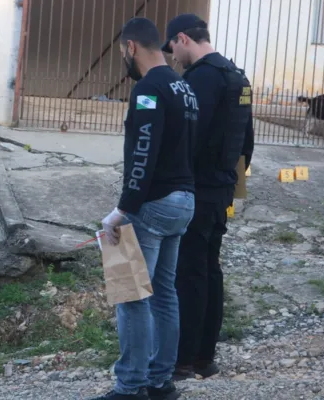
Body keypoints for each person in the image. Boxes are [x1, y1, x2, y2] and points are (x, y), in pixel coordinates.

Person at [89, 17, 197, 400]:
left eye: (122, 52)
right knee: (164, 292)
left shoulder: (148, 88)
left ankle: (130, 387)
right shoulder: (183, 87)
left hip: (151, 204)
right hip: (184, 200)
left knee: (131, 294)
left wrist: (122, 210)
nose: (124, 58)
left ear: (131, 48)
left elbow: (143, 151)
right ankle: (160, 382)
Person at [161, 13, 255, 381]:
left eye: (172, 49)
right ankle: (205, 358)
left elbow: (188, 137)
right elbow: (246, 142)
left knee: (189, 273)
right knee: (210, 270)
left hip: (196, 188)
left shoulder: (199, 79)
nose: (172, 57)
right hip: (221, 190)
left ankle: (183, 360)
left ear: (183, 39)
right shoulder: (237, 76)